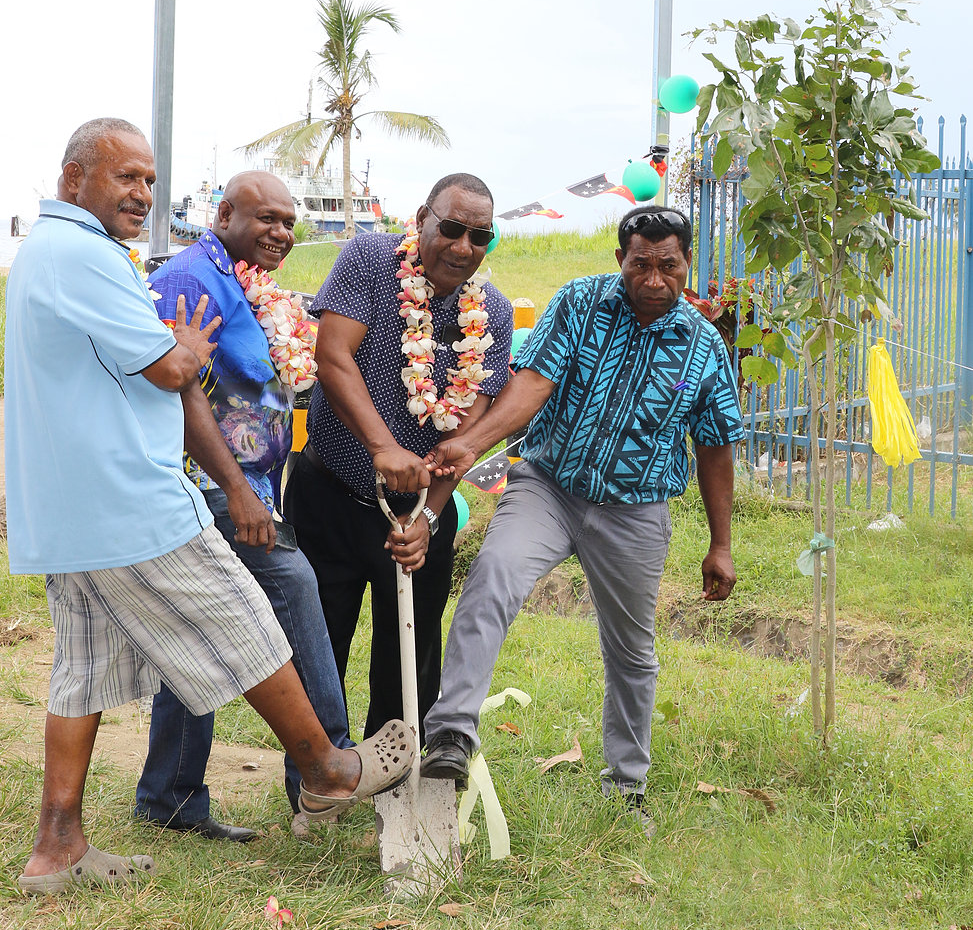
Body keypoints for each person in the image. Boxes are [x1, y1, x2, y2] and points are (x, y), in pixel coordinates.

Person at [4, 120, 414, 895]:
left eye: (151, 180)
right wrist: (188, 348)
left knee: (80, 674)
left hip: (71, 510)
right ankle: (326, 768)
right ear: (71, 179)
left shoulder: (53, 252)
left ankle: (56, 848)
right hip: (128, 499)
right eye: (125, 176)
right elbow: (169, 368)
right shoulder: (85, 254)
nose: (142, 194)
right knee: (247, 619)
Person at [419, 204, 745, 833]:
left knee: (632, 651)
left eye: (668, 266)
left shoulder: (703, 343)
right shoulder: (579, 302)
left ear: (687, 265)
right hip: (550, 486)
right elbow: (532, 385)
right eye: (640, 264)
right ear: (620, 260)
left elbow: (715, 443)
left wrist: (721, 544)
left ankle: (626, 786)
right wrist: (471, 445)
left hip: (635, 511)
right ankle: (452, 736)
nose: (654, 279)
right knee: (494, 577)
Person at [135, 170, 351, 841]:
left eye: (289, 222)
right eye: (266, 219)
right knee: (294, 593)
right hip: (209, 491)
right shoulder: (189, 280)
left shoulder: (246, 282)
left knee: (200, 635)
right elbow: (174, 392)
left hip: (252, 486)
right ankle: (327, 779)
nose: (281, 233)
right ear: (223, 213)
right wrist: (234, 490)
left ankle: (169, 797)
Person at [284, 174, 513, 742]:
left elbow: (470, 424)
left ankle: (391, 784)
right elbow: (333, 356)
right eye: (452, 228)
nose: (463, 247)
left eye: (480, 237)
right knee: (318, 646)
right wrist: (383, 447)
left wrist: (429, 518)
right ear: (422, 218)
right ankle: (318, 779)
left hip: (421, 514)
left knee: (409, 655)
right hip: (331, 494)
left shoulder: (497, 313)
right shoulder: (369, 258)